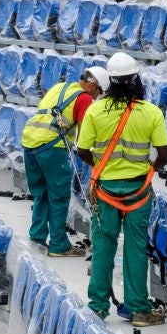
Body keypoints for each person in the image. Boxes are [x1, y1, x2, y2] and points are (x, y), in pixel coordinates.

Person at [76, 52, 167, 327]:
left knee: (104, 245)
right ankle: (139, 310)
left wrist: (100, 166)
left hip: (105, 189)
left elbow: (83, 149)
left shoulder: (95, 110)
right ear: (134, 79)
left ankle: (97, 307)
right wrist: (151, 167)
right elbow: (164, 154)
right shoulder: (150, 112)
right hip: (138, 192)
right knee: (136, 248)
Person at [21, 65, 109, 257]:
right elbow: (87, 134)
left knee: (41, 194)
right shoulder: (84, 98)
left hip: (30, 141)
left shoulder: (60, 87)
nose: (96, 98)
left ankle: (37, 238)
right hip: (52, 148)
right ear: (93, 85)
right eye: (99, 93)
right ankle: (59, 245)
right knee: (58, 196)